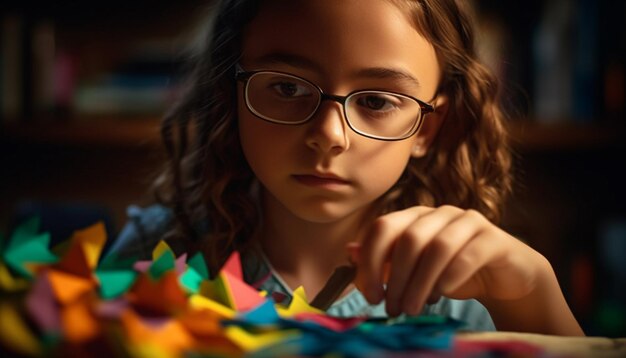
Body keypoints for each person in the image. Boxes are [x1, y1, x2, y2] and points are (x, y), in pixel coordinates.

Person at [109, 0, 584, 336]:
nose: (330, 135)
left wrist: (532, 293)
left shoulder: (459, 287)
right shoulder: (159, 252)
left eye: (377, 100)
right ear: (231, 96)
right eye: (289, 88)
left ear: (427, 129)